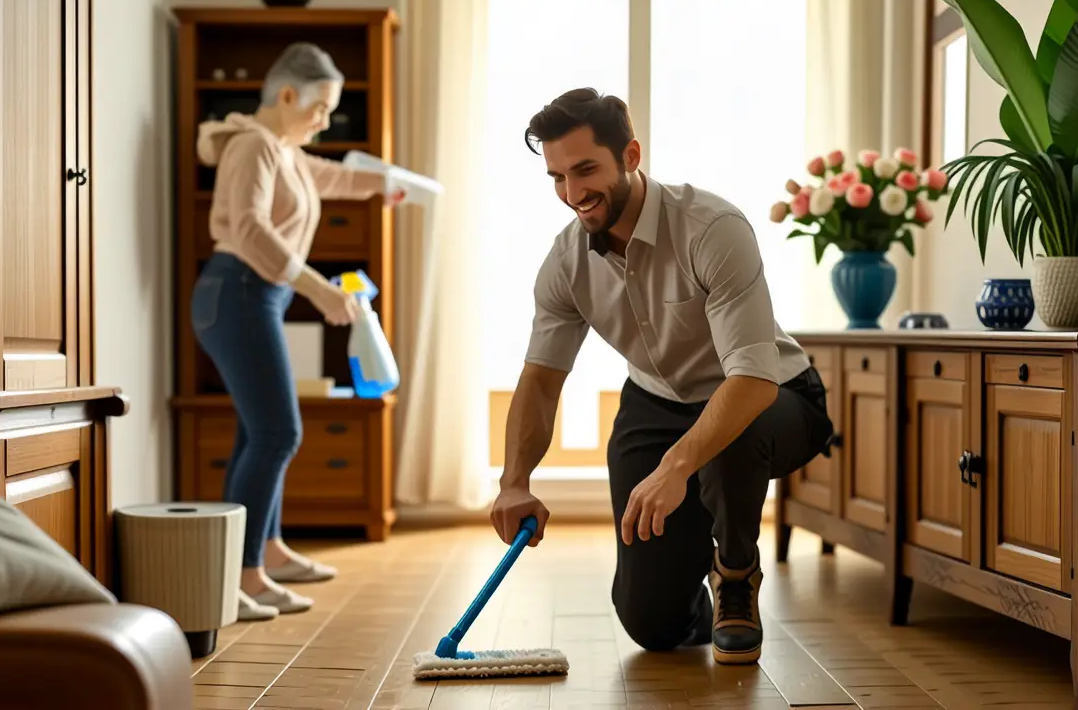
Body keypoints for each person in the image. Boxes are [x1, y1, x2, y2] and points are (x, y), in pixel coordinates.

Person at [488, 88, 834, 665]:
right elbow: (541, 381)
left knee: (728, 440)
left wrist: (676, 467)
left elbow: (751, 380)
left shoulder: (711, 228)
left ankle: (735, 575)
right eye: (557, 177)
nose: (572, 194)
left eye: (585, 170)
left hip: (771, 398)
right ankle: (687, 581)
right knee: (650, 622)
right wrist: (514, 482)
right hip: (656, 403)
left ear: (630, 155)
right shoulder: (565, 263)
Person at [192, 42, 407, 621]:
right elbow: (251, 229)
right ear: (287, 95)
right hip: (237, 293)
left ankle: (266, 552)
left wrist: (384, 184)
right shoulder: (254, 146)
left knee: (257, 432)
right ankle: (244, 577)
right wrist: (318, 289)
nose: (325, 121)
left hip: (253, 296)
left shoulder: (282, 150)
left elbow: (332, 177)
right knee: (277, 433)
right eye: (320, 108)